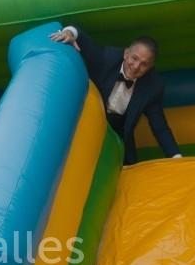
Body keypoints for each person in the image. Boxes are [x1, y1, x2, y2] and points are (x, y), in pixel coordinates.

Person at [50, 25, 183, 164]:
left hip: (119, 134)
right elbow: (81, 37)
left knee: (129, 168)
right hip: (90, 122)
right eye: (134, 58)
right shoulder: (106, 58)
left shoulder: (153, 86)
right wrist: (68, 32)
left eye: (144, 64)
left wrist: (176, 156)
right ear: (126, 54)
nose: (136, 66)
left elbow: (159, 126)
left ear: (150, 68)